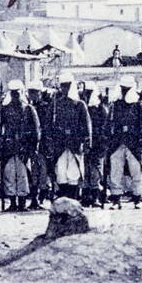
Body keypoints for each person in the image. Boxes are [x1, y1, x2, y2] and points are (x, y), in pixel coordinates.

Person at [106, 74, 142, 208]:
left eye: (126, 88)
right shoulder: (116, 105)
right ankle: (116, 199)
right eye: (123, 88)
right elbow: (109, 123)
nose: (124, 91)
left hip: (133, 143)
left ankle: (137, 198)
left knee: (136, 171)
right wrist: (109, 138)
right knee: (115, 171)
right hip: (118, 142)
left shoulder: (139, 106)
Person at [46, 71, 92, 199]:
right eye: (63, 86)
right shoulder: (56, 104)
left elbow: (86, 125)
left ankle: (73, 198)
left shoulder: (80, 105)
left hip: (75, 143)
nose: (65, 88)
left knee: (73, 173)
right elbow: (48, 124)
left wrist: (87, 142)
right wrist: (50, 141)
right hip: (60, 144)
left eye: (67, 85)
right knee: (60, 172)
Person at [0, 80, 40, 210]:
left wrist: (33, 148)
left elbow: (36, 130)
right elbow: (0, 128)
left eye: (17, 93)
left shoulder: (29, 109)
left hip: (24, 148)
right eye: (13, 93)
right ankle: (12, 202)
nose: (15, 96)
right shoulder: (5, 109)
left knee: (23, 176)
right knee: (9, 175)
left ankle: (22, 202)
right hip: (9, 148)